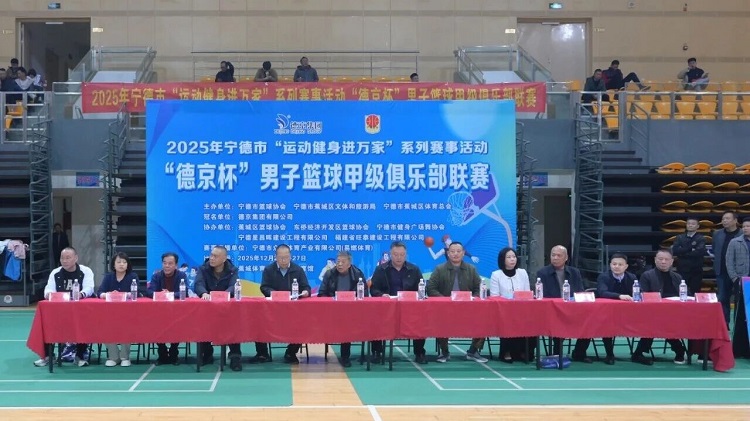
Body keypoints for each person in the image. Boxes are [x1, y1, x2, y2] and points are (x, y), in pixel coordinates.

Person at [426, 242, 488, 364]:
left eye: (458, 251)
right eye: (452, 251)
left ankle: (473, 351)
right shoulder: (439, 269)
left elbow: (478, 288)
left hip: (468, 308)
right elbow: (431, 288)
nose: (455, 254)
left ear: (463, 253)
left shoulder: (471, 269)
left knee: (485, 320)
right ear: (448, 253)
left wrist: (472, 299)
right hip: (446, 308)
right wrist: (445, 300)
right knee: (439, 319)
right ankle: (444, 352)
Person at [34, 247, 95, 367]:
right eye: (62, 258)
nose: (64, 261)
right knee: (46, 323)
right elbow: (49, 288)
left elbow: (89, 288)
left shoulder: (86, 271)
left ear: (76, 258)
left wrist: (81, 294)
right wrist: (49, 294)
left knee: (83, 323)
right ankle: (48, 356)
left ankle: (80, 356)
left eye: (68, 258)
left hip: (80, 311)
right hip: (60, 311)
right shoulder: (55, 273)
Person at [369, 241, 427, 364]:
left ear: (406, 255)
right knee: (375, 319)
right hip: (387, 308)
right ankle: (377, 352)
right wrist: (381, 295)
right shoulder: (381, 269)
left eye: (402, 254)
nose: (399, 257)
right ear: (390, 254)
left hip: (409, 308)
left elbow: (421, 289)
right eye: (396, 254)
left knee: (421, 320)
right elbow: (373, 289)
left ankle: (419, 352)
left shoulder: (414, 269)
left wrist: (415, 296)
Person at [253, 244, 311, 365]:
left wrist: (306, 292)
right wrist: (274, 294)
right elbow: (264, 287)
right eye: (281, 258)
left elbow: (306, 287)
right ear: (276, 257)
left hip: (293, 310)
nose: (284, 260)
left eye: (286, 257)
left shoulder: (298, 270)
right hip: (273, 309)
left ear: (290, 256)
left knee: (303, 323)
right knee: (257, 321)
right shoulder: (269, 269)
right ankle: (262, 353)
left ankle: (291, 353)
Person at [536, 245, 593, 363]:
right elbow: (542, 295)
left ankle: (579, 353)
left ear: (566, 258)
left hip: (573, 310)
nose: (555, 258)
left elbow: (580, 291)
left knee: (589, 323)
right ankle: (557, 354)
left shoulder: (574, 272)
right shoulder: (543, 273)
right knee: (558, 324)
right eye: (553, 255)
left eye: (559, 255)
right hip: (554, 311)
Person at [632, 249, 688, 365]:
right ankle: (679, 349)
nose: (663, 262)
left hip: (675, 311)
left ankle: (639, 353)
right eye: (660, 259)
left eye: (666, 259)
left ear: (671, 261)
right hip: (653, 312)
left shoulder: (677, 277)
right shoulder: (647, 275)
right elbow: (643, 295)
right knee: (660, 322)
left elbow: (686, 295)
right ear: (655, 260)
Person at [194, 246, 242, 371]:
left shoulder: (232, 270)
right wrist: (203, 293)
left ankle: (235, 356)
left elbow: (234, 286)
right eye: (211, 255)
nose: (212, 258)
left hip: (227, 308)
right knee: (203, 323)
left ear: (224, 259)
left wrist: (224, 295)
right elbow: (198, 284)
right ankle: (207, 354)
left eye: (215, 256)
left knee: (234, 324)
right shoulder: (203, 268)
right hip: (208, 307)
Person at [318, 250, 366, 367]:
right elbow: (322, 293)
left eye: (343, 262)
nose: (339, 264)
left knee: (347, 323)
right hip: (332, 311)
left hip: (352, 312)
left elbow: (364, 294)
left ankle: (345, 357)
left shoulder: (357, 274)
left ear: (349, 264)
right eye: (338, 261)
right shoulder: (329, 274)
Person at [489, 247, 535, 363]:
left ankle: (524, 351)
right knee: (508, 319)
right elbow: (494, 296)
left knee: (532, 320)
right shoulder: (496, 275)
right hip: (504, 311)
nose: (512, 259)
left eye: (514, 257)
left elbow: (527, 293)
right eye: (509, 257)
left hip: (522, 310)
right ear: (502, 259)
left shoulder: (522, 273)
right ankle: (507, 351)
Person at [97, 252, 140, 367]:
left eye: (124, 262)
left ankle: (125, 357)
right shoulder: (108, 277)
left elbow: (136, 293)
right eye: (119, 262)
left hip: (128, 313)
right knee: (103, 327)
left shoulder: (133, 277)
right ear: (113, 264)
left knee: (127, 327)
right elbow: (100, 292)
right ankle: (113, 357)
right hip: (109, 313)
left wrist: (121, 295)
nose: (121, 264)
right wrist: (108, 294)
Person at [146, 252, 187, 366]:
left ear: (176, 265)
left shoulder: (181, 276)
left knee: (179, 325)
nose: (167, 266)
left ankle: (174, 353)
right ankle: (162, 353)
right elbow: (149, 292)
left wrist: (170, 294)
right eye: (164, 263)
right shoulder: (157, 276)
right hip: (159, 312)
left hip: (177, 311)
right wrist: (160, 294)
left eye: (170, 263)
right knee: (155, 325)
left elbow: (185, 292)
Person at [596, 253, 637, 365]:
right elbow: (602, 292)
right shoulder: (604, 277)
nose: (617, 266)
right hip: (606, 313)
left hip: (627, 313)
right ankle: (609, 354)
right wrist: (619, 296)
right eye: (614, 264)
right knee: (607, 324)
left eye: (620, 264)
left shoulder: (632, 277)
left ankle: (639, 353)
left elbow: (638, 293)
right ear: (610, 265)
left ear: (626, 266)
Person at [725, 217, 750, 358]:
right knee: (740, 316)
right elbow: (729, 262)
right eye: (744, 226)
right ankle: (739, 349)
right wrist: (735, 279)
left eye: (748, 226)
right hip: (742, 282)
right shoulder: (735, 242)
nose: (745, 228)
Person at [712, 211, 742, 325]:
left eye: (727, 218)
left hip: (739, 273)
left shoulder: (742, 234)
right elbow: (714, 249)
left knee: (739, 299)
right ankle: (725, 324)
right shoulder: (717, 234)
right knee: (723, 298)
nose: (724, 221)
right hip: (722, 271)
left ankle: (739, 325)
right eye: (723, 219)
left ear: (735, 220)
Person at [672, 217, 707, 295]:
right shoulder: (680, 237)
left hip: (696, 270)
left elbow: (699, 252)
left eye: (693, 224)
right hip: (682, 269)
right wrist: (691, 248)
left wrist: (683, 252)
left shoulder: (701, 238)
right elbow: (675, 250)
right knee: (681, 292)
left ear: (698, 226)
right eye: (688, 223)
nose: (690, 225)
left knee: (695, 293)